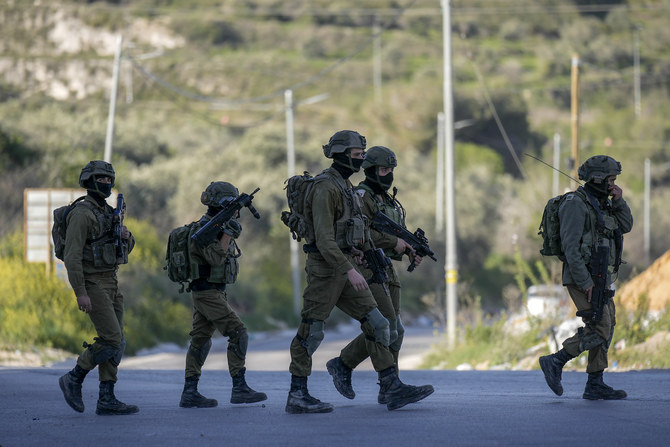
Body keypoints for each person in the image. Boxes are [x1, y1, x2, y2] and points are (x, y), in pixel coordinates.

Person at [286, 130, 433, 413]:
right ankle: (297, 394)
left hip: (347, 266)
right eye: (356, 156)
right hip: (325, 270)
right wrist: (349, 269)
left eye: (362, 156)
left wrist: (357, 252)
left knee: (380, 324)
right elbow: (325, 241)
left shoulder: (344, 186)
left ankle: (391, 386)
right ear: (340, 155)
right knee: (311, 331)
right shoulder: (325, 188)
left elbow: (353, 232)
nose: (360, 161)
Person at [325, 145, 434, 404]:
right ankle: (371, 376)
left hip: (385, 266)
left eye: (391, 170)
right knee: (385, 325)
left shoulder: (386, 199)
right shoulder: (361, 196)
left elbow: (392, 236)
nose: (388, 175)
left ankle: (388, 384)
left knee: (396, 330)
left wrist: (408, 249)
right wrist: (394, 243)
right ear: (371, 170)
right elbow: (359, 232)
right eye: (384, 170)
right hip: (365, 266)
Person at [539, 155, 633, 400]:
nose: (613, 184)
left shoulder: (602, 202)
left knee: (607, 324)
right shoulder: (575, 204)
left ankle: (595, 383)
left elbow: (626, 225)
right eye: (610, 179)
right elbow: (571, 248)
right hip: (583, 276)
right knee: (600, 328)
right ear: (598, 178)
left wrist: (619, 200)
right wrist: (585, 281)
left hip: (601, 275)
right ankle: (555, 361)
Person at [58, 160, 139, 415]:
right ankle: (74, 377)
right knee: (112, 339)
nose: (106, 183)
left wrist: (126, 236)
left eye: (108, 179)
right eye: (101, 179)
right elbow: (71, 257)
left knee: (117, 341)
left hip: (111, 281)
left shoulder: (107, 212)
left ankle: (107, 397)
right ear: (89, 181)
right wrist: (80, 291)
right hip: (92, 282)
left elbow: (120, 251)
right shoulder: (82, 214)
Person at [179, 181, 267, 408]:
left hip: (210, 291)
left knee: (200, 340)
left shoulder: (214, 225)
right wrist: (227, 234)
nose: (237, 210)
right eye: (232, 204)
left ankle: (190, 392)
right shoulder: (204, 231)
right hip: (207, 293)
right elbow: (216, 258)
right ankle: (239, 388)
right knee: (239, 333)